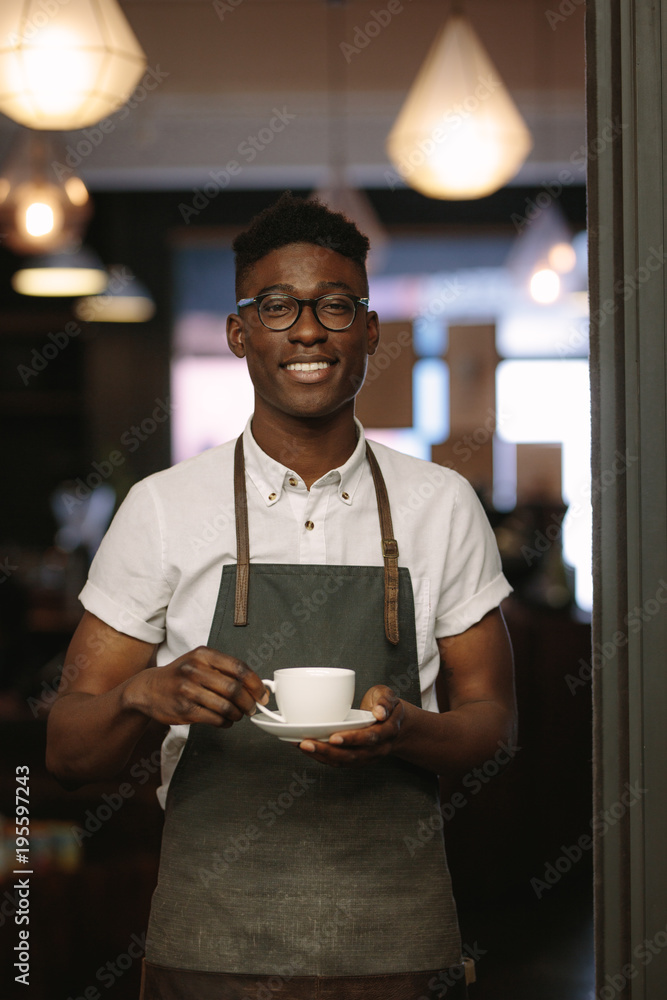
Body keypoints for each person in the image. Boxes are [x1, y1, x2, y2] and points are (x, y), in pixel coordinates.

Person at [46, 192, 516, 1000]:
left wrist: (406, 732)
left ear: (369, 332)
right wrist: (141, 694)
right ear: (238, 333)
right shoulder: (162, 507)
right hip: (210, 943)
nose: (307, 329)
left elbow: (494, 725)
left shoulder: (441, 505)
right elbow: (65, 750)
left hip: (395, 943)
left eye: (335, 305)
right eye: (276, 306)